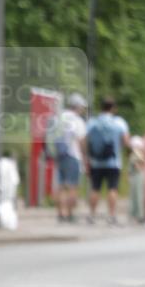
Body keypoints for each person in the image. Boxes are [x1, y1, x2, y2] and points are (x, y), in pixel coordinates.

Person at [84, 97, 130, 225]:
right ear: (113, 108)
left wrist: (86, 156)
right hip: (114, 162)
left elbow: (84, 140)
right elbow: (126, 141)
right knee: (112, 188)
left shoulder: (93, 122)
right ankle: (111, 216)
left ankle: (92, 215)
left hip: (96, 161)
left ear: (102, 107)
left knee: (95, 188)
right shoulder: (119, 122)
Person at [50, 92, 87, 223]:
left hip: (59, 155)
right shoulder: (77, 120)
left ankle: (60, 214)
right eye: (82, 107)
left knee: (60, 186)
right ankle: (70, 214)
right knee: (72, 186)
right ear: (77, 106)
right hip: (73, 155)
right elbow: (81, 141)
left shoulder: (58, 118)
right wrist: (85, 158)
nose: (82, 109)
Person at [128, 135, 145, 224]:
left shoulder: (134, 154)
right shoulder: (137, 154)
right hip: (138, 176)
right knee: (138, 196)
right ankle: (139, 215)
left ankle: (136, 215)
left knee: (136, 196)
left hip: (135, 176)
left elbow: (136, 166)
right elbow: (139, 167)